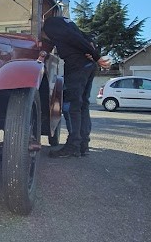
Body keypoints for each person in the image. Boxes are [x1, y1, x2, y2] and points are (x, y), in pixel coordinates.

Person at [43, 15, 110, 158]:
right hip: (87, 65)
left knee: (71, 106)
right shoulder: (68, 22)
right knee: (82, 105)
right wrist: (93, 53)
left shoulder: (51, 23)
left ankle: (73, 146)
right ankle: (83, 145)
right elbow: (86, 38)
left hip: (76, 65)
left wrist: (96, 56)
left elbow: (71, 37)